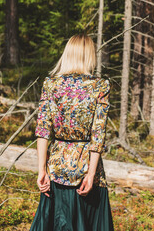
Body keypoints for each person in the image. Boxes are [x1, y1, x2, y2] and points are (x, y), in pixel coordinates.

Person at [30, 34, 114, 231]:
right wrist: (91, 175)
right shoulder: (100, 86)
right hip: (87, 168)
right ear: (89, 56)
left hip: (57, 169)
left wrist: (42, 170)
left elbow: (43, 131)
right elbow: (98, 134)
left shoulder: (51, 84)